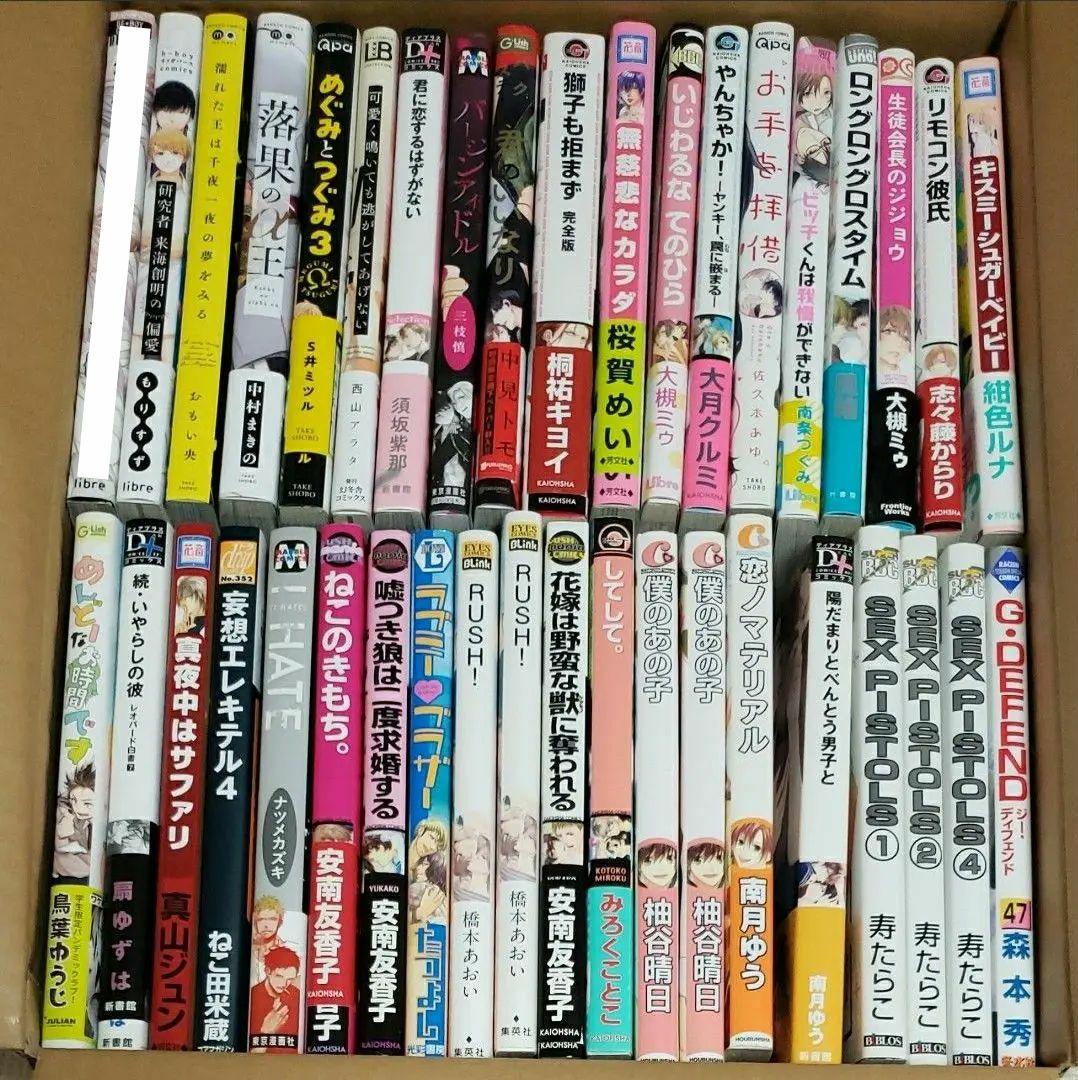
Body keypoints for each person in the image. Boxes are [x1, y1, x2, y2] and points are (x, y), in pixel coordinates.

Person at [249, 944, 301, 1052]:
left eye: (290, 979)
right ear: (267, 971)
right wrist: (266, 1031)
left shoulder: (297, 996)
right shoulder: (252, 996)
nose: (284, 984)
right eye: (279, 976)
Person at [54, 762, 95, 881]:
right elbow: (60, 849)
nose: (78, 808)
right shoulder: (64, 813)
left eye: (87, 803)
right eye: (73, 800)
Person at [250, 894, 286, 977]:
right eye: (261, 919)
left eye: (272, 919)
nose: (266, 925)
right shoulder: (246, 950)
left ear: (280, 922)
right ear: (255, 923)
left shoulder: (289, 950)